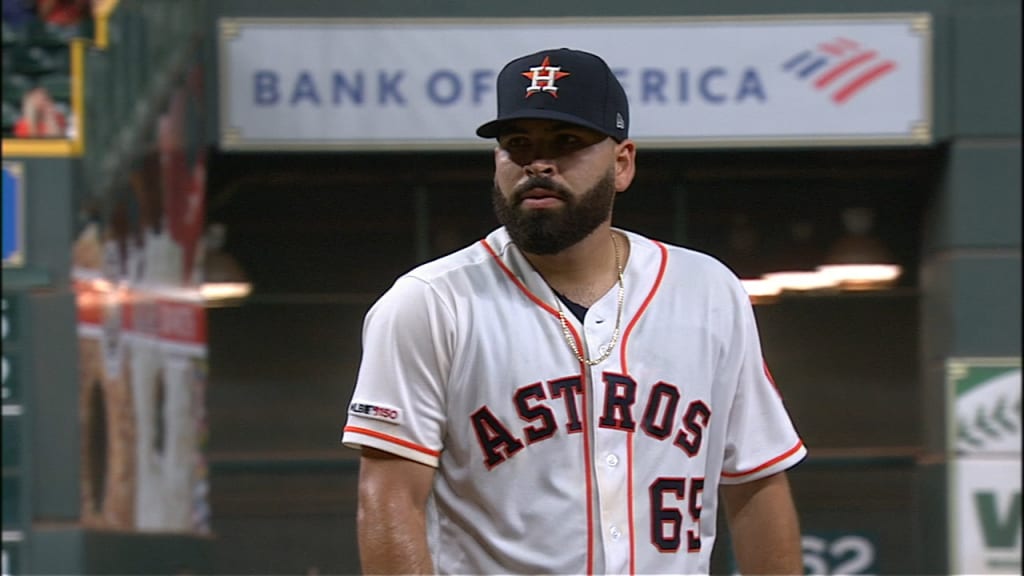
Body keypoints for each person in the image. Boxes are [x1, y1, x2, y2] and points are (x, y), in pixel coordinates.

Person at [342, 47, 807, 575]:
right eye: (517, 144)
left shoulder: (708, 290)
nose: (538, 163)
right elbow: (388, 501)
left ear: (622, 163)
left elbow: (756, 480)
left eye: (567, 143)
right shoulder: (431, 302)